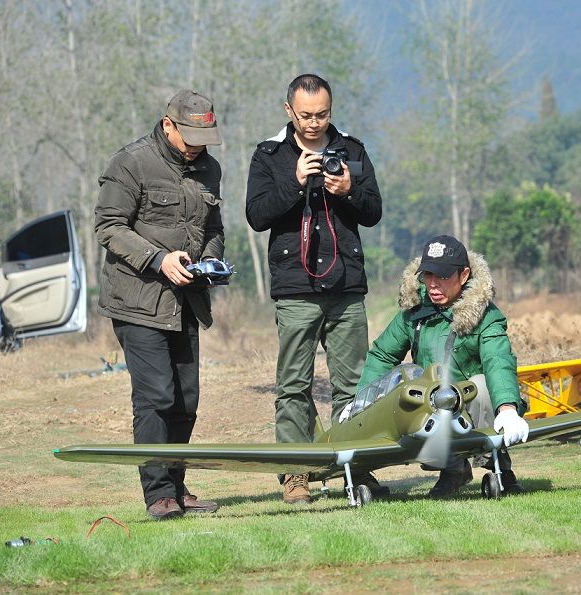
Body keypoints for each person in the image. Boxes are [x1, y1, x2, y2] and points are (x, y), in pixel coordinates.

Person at [245, 74, 383, 504]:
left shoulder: (353, 150)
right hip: (296, 288)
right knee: (293, 385)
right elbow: (256, 216)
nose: (313, 123)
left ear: (331, 109)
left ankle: (355, 469)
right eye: (305, 115)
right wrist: (295, 181)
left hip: (346, 285)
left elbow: (374, 211)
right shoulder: (269, 155)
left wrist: (348, 190)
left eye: (322, 114)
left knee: (354, 385)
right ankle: (295, 474)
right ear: (289, 110)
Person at [94, 89, 225, 520]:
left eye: (203, 137)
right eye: (189, 136)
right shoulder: (131, 163)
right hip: (138, 300)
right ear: (168, 125)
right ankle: (158, 495)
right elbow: (109, 227)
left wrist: (210, 259)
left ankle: (177, 485)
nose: (197, 146)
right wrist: (157, 258)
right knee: (155, 397)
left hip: (186, 300)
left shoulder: (210, 169)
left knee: (186, 399)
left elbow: (213, 226)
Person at [355, 235, 529, 498]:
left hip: (470, 400)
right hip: (431, 402)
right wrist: (360, 403)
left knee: (482, 386)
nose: (433, 284)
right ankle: (454, 470)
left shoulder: (487, 316)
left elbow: (498, 361)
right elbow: (381, 355)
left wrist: (507, 408)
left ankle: (500, 467)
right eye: (427, 275)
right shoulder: (414, 312)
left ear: (464, 275)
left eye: (444, 276)